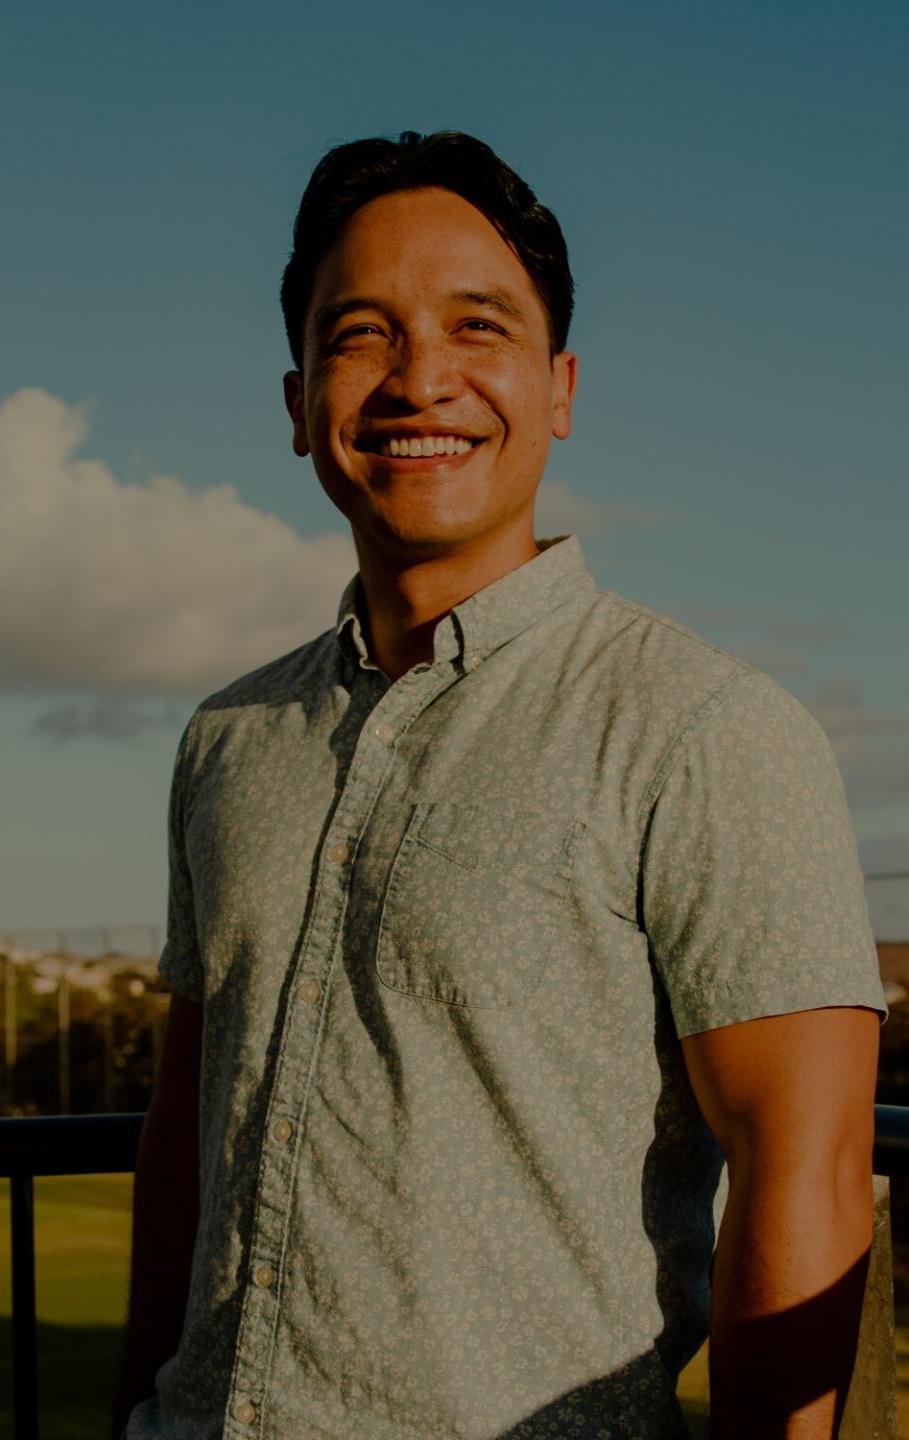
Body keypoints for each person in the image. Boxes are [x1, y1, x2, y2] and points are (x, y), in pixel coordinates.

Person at [113, 130, 886, 1440]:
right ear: (299, 400)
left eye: (480, 329)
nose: (422, 380)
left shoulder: (703, 730)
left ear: (560, 385)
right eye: (362, 335)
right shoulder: (228, 738)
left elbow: (802, 1172)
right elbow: (186, 1131)